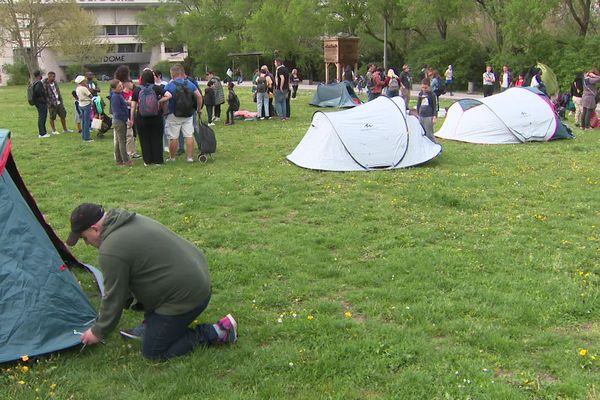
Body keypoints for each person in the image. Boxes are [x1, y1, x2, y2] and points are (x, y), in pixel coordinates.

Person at [66, 203, 237, 360]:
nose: (87, 244)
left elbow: (114, 296)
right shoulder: (126, 219)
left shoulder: (110, 249)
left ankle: (218, 332)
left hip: (188, 295)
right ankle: (155, 322)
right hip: (197, 279)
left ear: (95, 229)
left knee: (154, 351)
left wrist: (98, 331)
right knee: (146, 279)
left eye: (84, 238)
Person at [131, 69, 171, 166]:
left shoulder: (137, 89)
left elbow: (133, 106)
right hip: (156, 116)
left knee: (144, 139)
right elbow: (169, 95)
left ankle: (147, 161)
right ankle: (158, 160)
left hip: (141, 118)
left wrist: (132, 119)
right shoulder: (156, 88)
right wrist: (159, 101)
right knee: (156, 138)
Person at [164, 64, 203, 162]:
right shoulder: (189, 83)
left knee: (173, 137)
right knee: (189, 135)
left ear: (172, 74)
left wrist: (165, 111)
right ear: (182, 73)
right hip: (188, 113)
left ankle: (172, 157)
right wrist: (199, 108)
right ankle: (189, 157)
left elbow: (164, 99)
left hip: (173, 113)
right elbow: (199, 96)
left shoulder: (170, 85)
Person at [109, 79, 132, 167]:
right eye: (119, 86)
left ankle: (119, 160)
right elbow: (118, 112)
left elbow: (122, 104)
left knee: (119, 141)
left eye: (121, 85)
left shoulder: (118, 95)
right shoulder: (115, 96)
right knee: (122, 141)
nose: (121, 87)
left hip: (119, 120)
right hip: (119, 121)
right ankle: (125, 160)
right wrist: (126, 120)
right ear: (114, 88)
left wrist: (127, 103)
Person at [416, 78, 437, 143]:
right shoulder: (420, 94)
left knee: (429, 134)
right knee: (422, 133)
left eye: (426, 88)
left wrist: (434, 117)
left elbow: (435, 106)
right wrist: (417, 114)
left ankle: (435, 147)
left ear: (429, 87)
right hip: (421, 115)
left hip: (428, 116)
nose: (424, 89)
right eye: (422, 88)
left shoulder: (432, 95)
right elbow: (418, 104)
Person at [75, 75, 93, 142]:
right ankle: (87, 137)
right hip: (86, 104)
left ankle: (84, 136)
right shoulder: (84, 88)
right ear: (82, 81)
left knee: (83, 121)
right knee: (87, 121)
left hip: (80, 105)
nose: (86, 81)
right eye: (84, 80)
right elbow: (90, 95)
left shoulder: (77, 88)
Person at [31, 70, 49, 138]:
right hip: (40, 103)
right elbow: (38, 91)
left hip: (37, 102)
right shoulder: (39, 83)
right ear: (39, 75)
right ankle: (42, 133)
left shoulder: (34, 82)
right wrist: (43, 98)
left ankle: (43, 132)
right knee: (42, 117)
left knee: (41, 117)